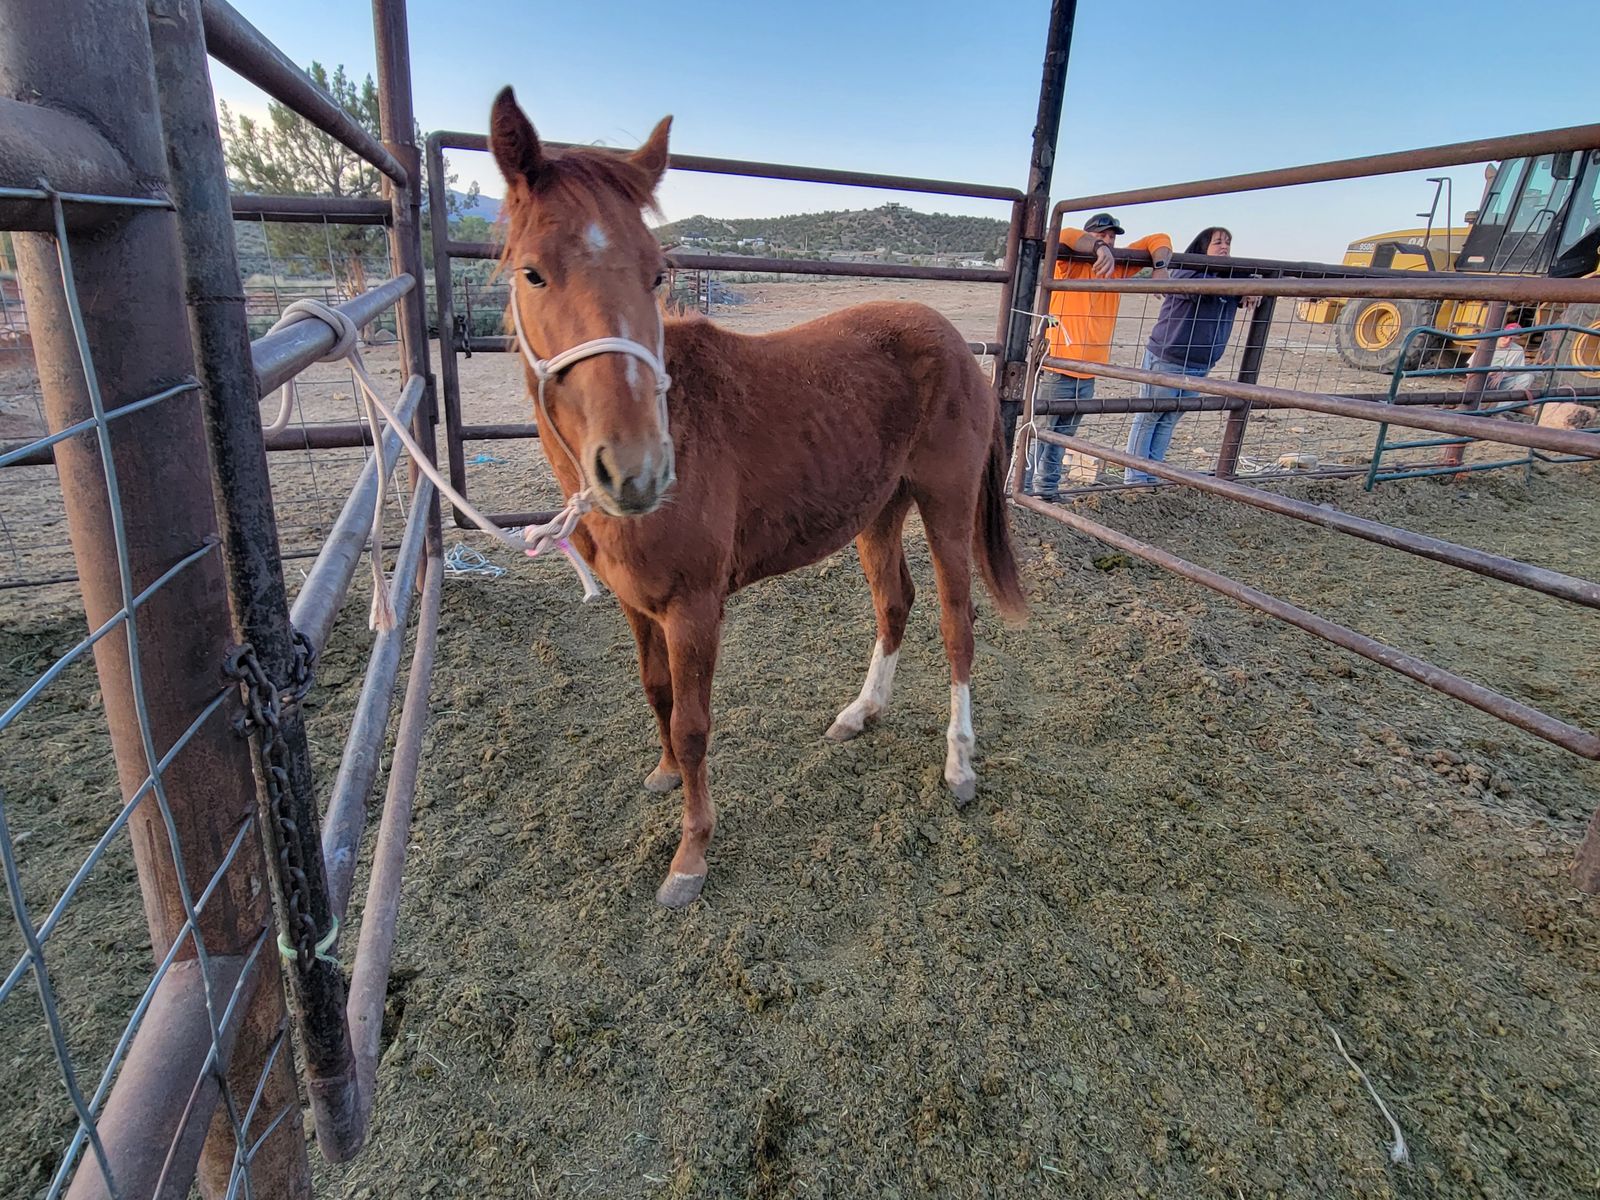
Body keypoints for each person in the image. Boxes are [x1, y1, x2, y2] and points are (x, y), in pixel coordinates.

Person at [1024, 211, 1172, 501]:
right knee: (1040, 433)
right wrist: (1098, 248)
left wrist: (1160, 266)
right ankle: (1022, 489)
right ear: (1088, 235)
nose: (1108, 240)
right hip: (1058, 366)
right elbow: (1062, 233)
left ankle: (1048, 490)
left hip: (1090, 370)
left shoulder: (1116, 268)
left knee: (1062, 437)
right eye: (1101, 234)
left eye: (1112, 236)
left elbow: (1160, 239)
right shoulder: (1071, 264)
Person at [1124, 227, 1258, 484]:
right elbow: (1198, 287)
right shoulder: (1188, 271)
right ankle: (1136, 478)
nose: (1224, 247)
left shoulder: (1233, 279)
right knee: (1150, 415)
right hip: (1169, 358)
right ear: (1202, 247)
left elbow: (1254, 282)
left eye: (1228, 243)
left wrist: (1250, 285)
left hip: (1200, 364)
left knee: (1169, 418)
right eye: (1217, 242)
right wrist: (1244, 285)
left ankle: (1152, 474)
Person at [1487, 323, 1538, 393]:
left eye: (1511, 339)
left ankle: (1506, 404)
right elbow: (1470, 371)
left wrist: (1503, 375)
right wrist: (1489, 373)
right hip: (1485, 379)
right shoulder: (1488, 344)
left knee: (1528, 377)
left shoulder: (1518, 349)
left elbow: (1519, 372)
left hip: (1504, 381)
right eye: (1505, 336)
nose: (1507, 341)